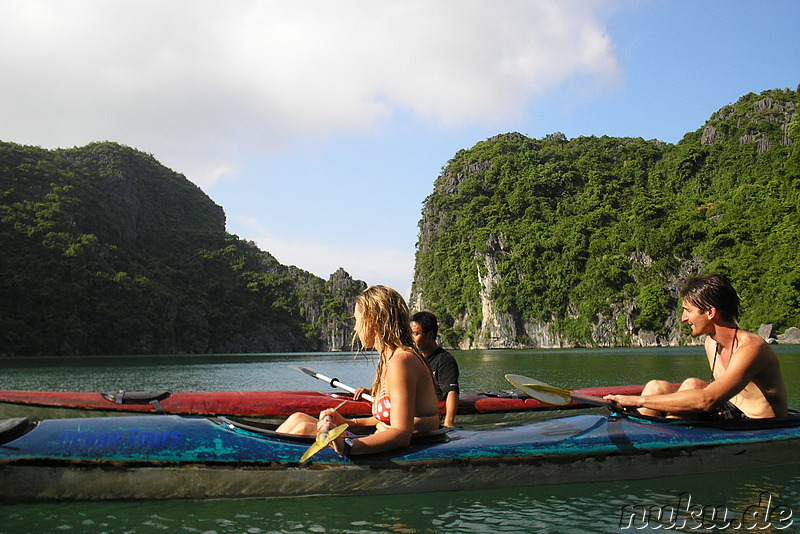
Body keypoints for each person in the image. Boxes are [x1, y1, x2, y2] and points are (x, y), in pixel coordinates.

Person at [276, 285, 440, 456]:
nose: (355, 328)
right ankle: (269, 463)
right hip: (381, 434)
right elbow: (386, 419)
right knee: (298, 418)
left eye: (357, 320)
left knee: (303, 428)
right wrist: (349, 422)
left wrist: (347, 445)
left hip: (410, 446)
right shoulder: (388, 360)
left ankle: (271, 467)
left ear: (372, 321)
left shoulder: (402, 362)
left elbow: (401, 434)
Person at [605, 274, 788, 419]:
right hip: (729, 412)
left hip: (755, 423)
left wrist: (637, 401)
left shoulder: (751, 347)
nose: (684, 318)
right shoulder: (711, 343)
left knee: (691, 386)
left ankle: (667, 448)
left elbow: (709, 400)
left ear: (710, 312)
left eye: (688, 311)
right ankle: (643, 442)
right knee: (656, 387)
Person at [410, 311, 460, 428]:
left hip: (431, 414)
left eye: (416, 334)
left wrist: (449, 422)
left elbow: (451, 392)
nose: (412, 339)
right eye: (411, 334)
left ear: (430, 335)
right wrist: (371, 391)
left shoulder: (444, 360)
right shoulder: (414, 358)